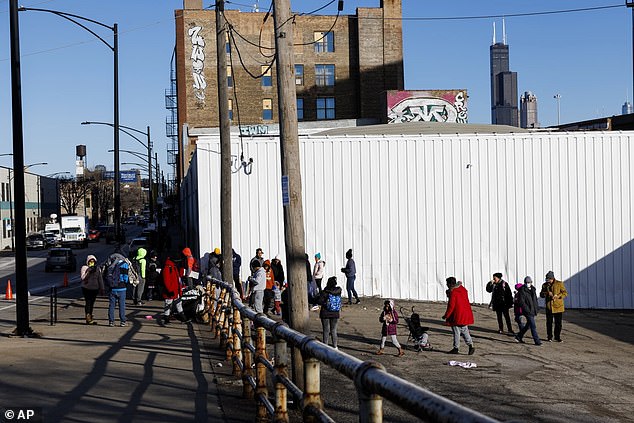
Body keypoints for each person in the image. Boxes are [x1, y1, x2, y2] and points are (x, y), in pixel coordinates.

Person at [443, 276, 475, 355]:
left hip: (457, 315)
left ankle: (456, 348)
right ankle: (471, 345)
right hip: (465, 313)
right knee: (465, 330)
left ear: (450, 284)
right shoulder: (463, 289)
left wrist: (446, 315)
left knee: (456, 331)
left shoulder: (453, 292)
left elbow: (451, 306)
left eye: (447, 284)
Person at [540, 270, 568, 342]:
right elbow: (541, 294)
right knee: (549, 323)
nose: (547, 281)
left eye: (548, 279)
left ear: (552, 278)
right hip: (549, 307)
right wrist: (546, 293)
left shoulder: (559, 284)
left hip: (558, 307)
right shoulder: (544, 285)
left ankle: (557, 337)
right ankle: (549, 337)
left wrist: (558, 296)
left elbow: (565, 293)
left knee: (558, 324)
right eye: (546, 279)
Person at [159, 256, 189, 325]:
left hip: (175, 289)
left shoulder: (172, 267)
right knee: (169, 304)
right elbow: (167, 280)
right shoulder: (168, 268)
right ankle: (167, 319)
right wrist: (169, 290)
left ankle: (182, 318)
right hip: (171, 290)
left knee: (177, 304)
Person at [515, 276, 542, 346]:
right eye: (527, 282)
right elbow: (522, 302)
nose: (528, 283)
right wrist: (527, 309)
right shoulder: (522, 290)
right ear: (524, 283)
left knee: (528, 325)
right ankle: (537, 341)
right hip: (527, 311)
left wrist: (536, 308)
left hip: (533, 310)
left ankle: (519, 336)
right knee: (533, 326)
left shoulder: (533, 289)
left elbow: (535, 300)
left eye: (529, 282)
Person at [317, 276, 342, 349]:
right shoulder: (338, 291)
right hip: (335, 313)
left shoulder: (325, 292)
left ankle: (325, 346)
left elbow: (319, 301)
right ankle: (335, 346)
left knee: (326, 330)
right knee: (333, 330)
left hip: (325, 313)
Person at [106, 252, 129, 327]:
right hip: (122, 288)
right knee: (121, 305)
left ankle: (111, 321)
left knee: (112, 305)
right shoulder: (124, 264)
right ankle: (123, 321)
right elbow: (126, 278)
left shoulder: (110, 265)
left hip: (112, 288)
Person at [80, 254, 104, 325]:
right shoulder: (84, 268)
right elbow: (83, 278)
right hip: (86, 288)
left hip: (95, 288)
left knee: (92, 303)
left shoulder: (97, 269)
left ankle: (90, 316)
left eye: (93, 261)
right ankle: (88, 317)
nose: (92, 263)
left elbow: (100, 279)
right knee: (88, 302)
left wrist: (102, 288)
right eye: (90, 261)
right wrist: (89, 271)